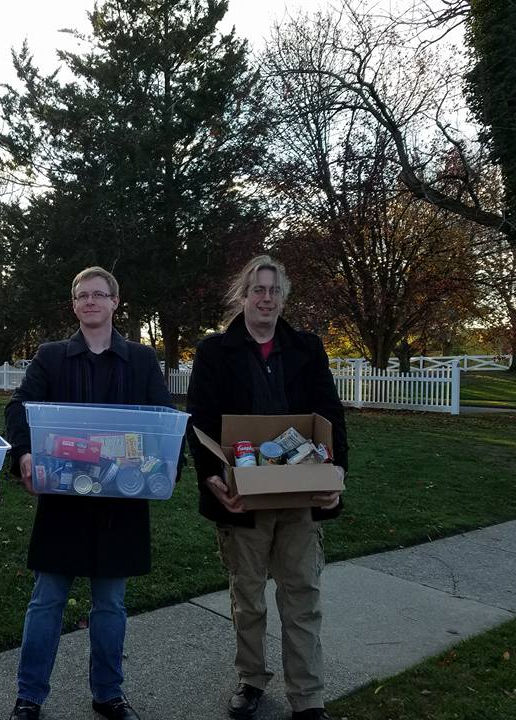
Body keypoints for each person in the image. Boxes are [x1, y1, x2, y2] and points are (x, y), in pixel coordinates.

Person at [4, 267, 175, 720]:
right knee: (46, 600)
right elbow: (18, 406)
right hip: (64, 498)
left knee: (111, 604)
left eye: (99, 294)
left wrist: (165, 464)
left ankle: (109, 694)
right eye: (83, 296)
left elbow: (163, 417)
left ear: (115, 302)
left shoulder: (141, 359)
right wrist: (24, 453)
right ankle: (29, 696)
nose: (91, 302)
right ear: (74, 304)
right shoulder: (52, 357)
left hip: (120, 504)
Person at [186, 255, 347, 720]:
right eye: (258, 289)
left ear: (283, 298)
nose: (267, 298)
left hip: (300, 494)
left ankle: (308, 697)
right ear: (243, 296)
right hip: (243, 497)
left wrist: (336, 474)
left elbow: (330, 415)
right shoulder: (215, 352)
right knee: (248, 598)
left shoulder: (306, 348)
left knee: (302, 597)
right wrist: (211, 478)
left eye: (275, 290)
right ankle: (251, 680)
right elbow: (200, 420)